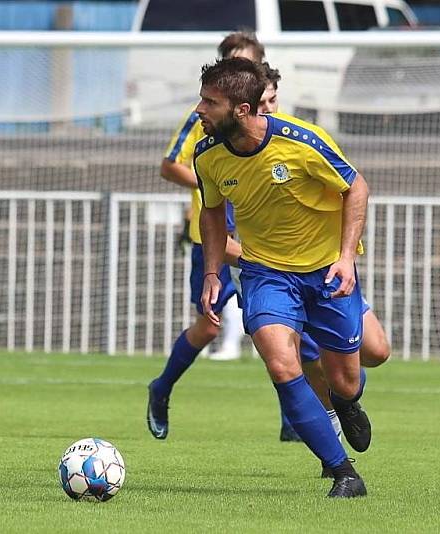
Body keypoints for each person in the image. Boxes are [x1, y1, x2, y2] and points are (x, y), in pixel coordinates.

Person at [195, 58, 371, 498]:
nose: (199, 109)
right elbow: (212, 211)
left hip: (326, 272)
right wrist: (213, 270)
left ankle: (346, 402)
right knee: (279, 362)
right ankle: (343, 471)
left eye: (209, 102)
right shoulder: (207, 154)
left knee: (346, 380)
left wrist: (346, 258)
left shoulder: (301, 142)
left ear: (241, 110)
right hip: (266, 273)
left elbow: (356, 187)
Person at [146, 32, 264, 440]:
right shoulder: (205, 119)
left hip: (260, 236)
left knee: (278, 330)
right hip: (213, 237)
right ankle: (161, 387)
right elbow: (168, 166)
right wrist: (210, 183)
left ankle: (298, 425)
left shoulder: (275, 123)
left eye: (246, 62)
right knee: (210, 325)